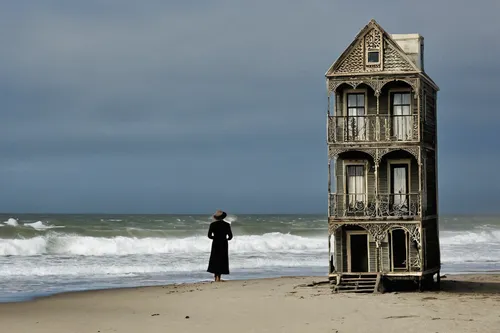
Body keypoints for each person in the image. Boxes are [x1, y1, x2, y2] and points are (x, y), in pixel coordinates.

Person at [207, 210, 233, 282]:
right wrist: (226, 239)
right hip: (224, 243)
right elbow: (230, 236)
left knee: (215, 259)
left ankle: (216, 277)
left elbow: (209, 236)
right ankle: (219, 277)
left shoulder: (212, 225)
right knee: (222, 259)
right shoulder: (227, 224)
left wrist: (215, 238)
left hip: (215, 243)